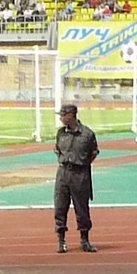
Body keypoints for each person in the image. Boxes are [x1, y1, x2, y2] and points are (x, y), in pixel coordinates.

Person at [53, 104, 99, 253]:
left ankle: (84, 240)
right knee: (60, 207)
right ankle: (61, 240)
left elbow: (94, 152)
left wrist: (82, 165)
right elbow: (57, 150)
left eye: (63, 115)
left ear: (71, 115)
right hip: (63, 173)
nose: (60, 118)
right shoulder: (61, 133)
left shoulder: (87, 134)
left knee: (82, 208)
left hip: (80, 174)